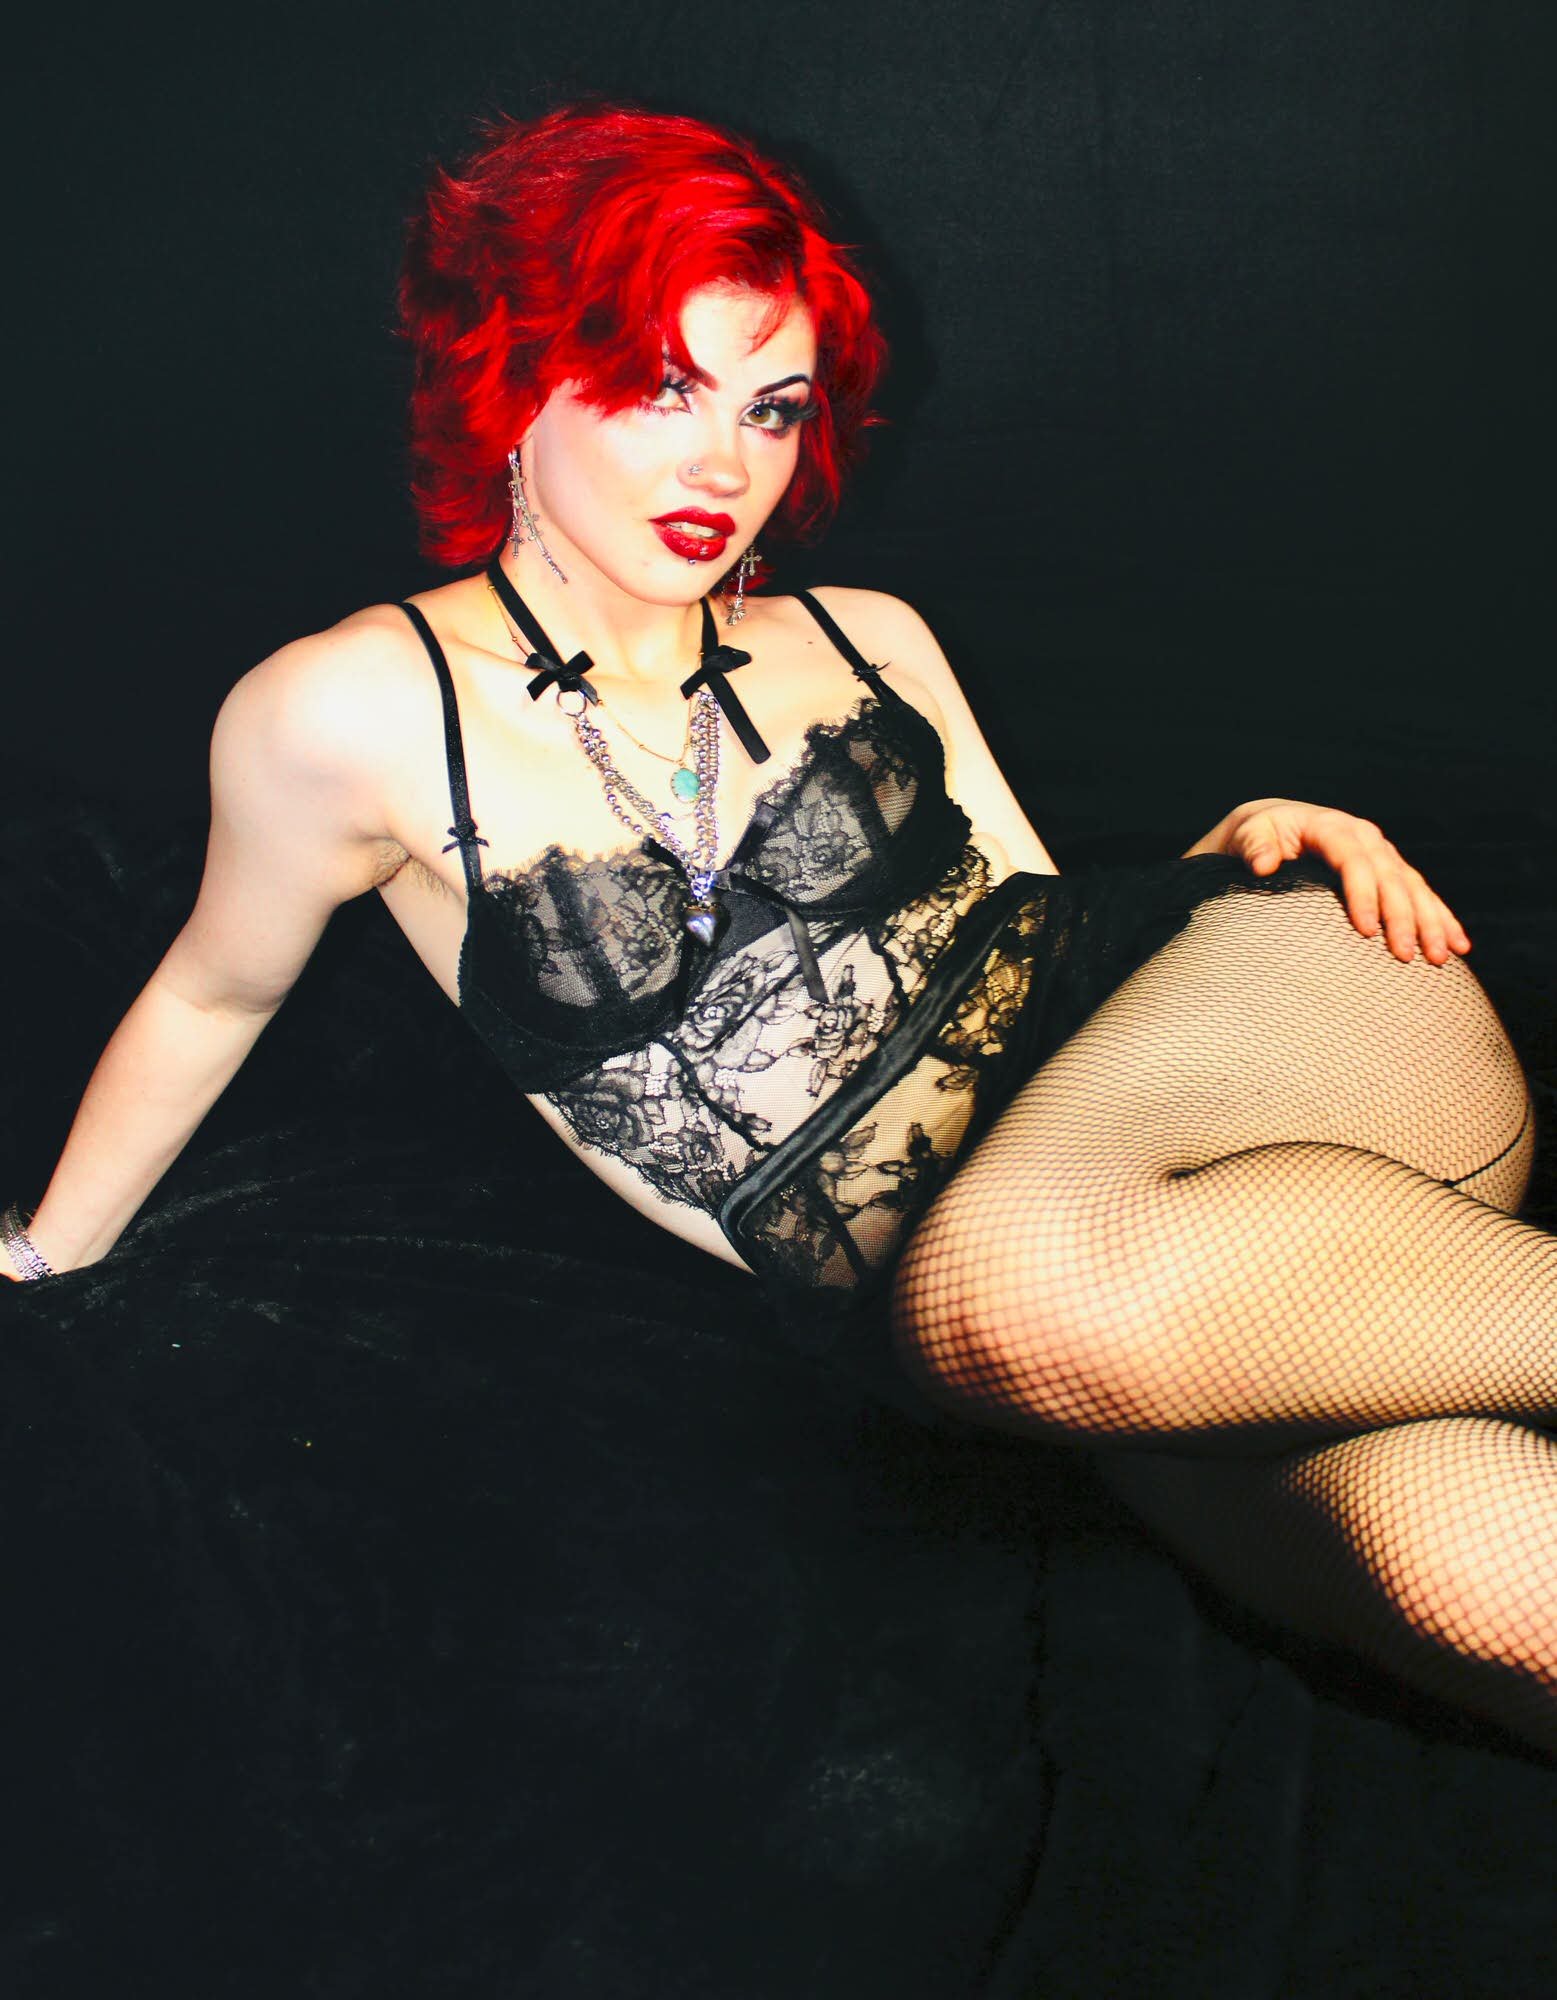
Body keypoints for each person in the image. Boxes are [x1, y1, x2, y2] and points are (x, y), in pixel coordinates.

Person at [2, 92, 1551, 1799]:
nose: (725, 467)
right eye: (662, 389)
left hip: (1287, 1051)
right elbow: (213, 989)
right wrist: (44, 1254)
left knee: (1013, 1282)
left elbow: (1048, 927)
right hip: (1096, 1304)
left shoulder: (863, 635)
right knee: (1461, 1567)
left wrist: (1237, 845)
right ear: (513, 379)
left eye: (770, 407)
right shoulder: (348, 712)